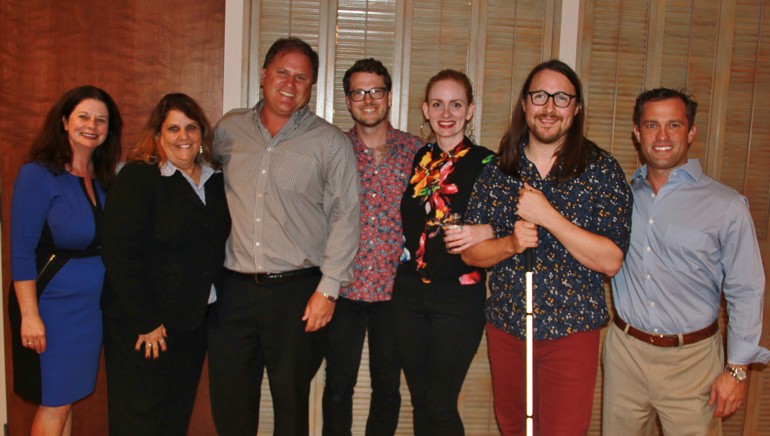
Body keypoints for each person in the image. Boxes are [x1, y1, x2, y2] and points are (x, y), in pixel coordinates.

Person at [462, 59, 632, 435]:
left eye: (561, 98)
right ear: (525, 104)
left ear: (576, 107)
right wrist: (510, 243)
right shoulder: (498, 170)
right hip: (508, 330)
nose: (549, 107)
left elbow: (611, 261)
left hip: (570, 333)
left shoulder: (601, 170)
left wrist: (548, 216)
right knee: (513, 428)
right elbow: (472, 253)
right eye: (540, 96)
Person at [207, 37, 360, 435]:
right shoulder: (228, 130)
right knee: (231, 404)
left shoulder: (329, 143)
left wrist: (328, 291)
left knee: (290, 407)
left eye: (302, 77)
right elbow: (194, 173)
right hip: (233, 291)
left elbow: (347, 216)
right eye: (282, 72)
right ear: (263, 75)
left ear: (311, 86)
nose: (290, 83)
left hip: (297, 295)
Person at [603, 88, 770, 435]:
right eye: (652, 125)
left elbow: (746, 289)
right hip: (625, 355)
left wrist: (736, 370)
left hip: (693, 362)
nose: (662, 136)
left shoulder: (726, 205)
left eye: (673, 125)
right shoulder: (620, 198)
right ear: (637, 132)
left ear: (690, 132)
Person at [101, 93, 230, 435]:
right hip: (147, 325)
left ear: (202, 133)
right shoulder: (139, 177)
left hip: (192, 323)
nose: (183, 136)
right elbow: (119, 253)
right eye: (173, 128)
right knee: (140, 420)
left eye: (190, 127)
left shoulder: (216, 181)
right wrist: (147, 321)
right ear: (158, 135)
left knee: (175, 417)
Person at [9, 85, 122, 435]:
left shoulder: (104, 179)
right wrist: (30, 317)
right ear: (64, 121)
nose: (92, 126)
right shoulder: (38, 174)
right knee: (55, 401)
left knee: (66, 398)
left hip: (89, 311)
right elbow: (20, 250)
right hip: (50, 309)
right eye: (84, 117)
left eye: (101, 120)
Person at [322, 58, 423, 436]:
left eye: (376, 90)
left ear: (389, 97)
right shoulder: (332, 148)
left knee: (387, 388)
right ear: (348, 101)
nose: (368, 99)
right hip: (343, 287)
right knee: (337, 387)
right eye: (359, 92)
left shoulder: (416, 150)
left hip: (397, 290)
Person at [393, 69, 495, 435]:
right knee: (420, 399)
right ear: (425, 109)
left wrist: (488, 229)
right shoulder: (419, 158)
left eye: (456, 104)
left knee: (439, 402)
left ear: (470, 111)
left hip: (458, 297)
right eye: (438, 104)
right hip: (407, 295)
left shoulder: (488, 164)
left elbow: (523, 222)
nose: (446, 113)